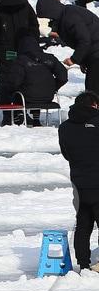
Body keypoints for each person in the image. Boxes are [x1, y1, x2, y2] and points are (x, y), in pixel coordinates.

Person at [59, 91, 99, 270]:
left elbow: (66, 154)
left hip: (79, 184)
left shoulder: (64, 127)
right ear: (94, 105)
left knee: (83, 226)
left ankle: (83, 264)